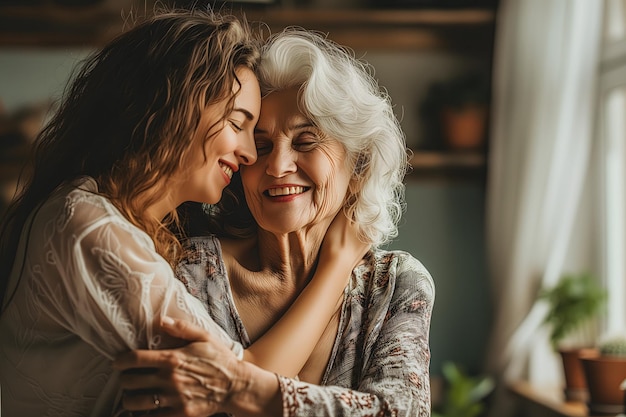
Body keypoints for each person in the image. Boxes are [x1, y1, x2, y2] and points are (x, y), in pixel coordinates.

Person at [0, 11, 367, 416]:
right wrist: (338, 266)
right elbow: (234, 387)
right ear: (175, 110)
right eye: (237, 123)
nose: (248, 154)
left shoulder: (122, 222)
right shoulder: (88, 229)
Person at [115, 28, 435, 417]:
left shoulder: (395, 285)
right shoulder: (188, 271)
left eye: (305, 141)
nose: (278, 166)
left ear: (359, 164)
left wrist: (239, 388)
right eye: (261, 146)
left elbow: (399, 412)